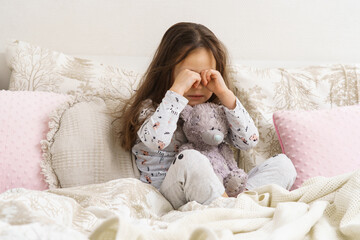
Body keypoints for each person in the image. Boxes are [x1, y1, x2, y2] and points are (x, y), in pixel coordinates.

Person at [117, 22, 297, 209]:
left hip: (222, 191)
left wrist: (225, 94)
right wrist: (177, 91)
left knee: (283, 165)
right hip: (170, 196)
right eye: (188, 75)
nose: (197, 85)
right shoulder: (151, 109)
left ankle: (236, 208)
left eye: (205, 76)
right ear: (167, 72)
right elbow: (157, 141)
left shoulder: (215, 111)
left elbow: (248, 141)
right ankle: (236, 211)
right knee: (190, 158)